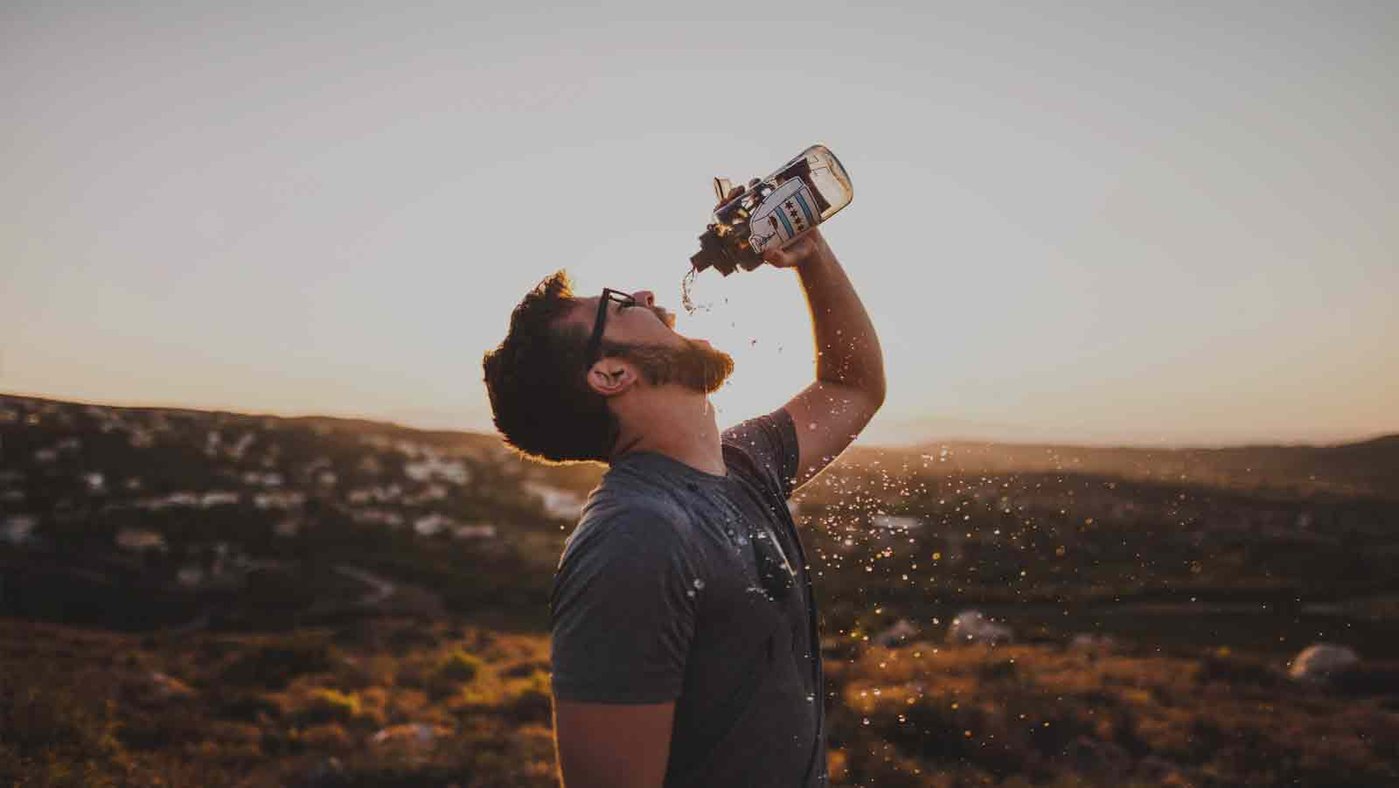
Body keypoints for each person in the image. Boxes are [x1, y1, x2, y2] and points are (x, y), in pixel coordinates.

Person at [481, 227, 884, 787]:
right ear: (611, 374)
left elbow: (852, 387)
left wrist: (811, 254)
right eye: (620, 305)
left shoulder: (744, 466)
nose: (646, 296)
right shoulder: (635, 538)